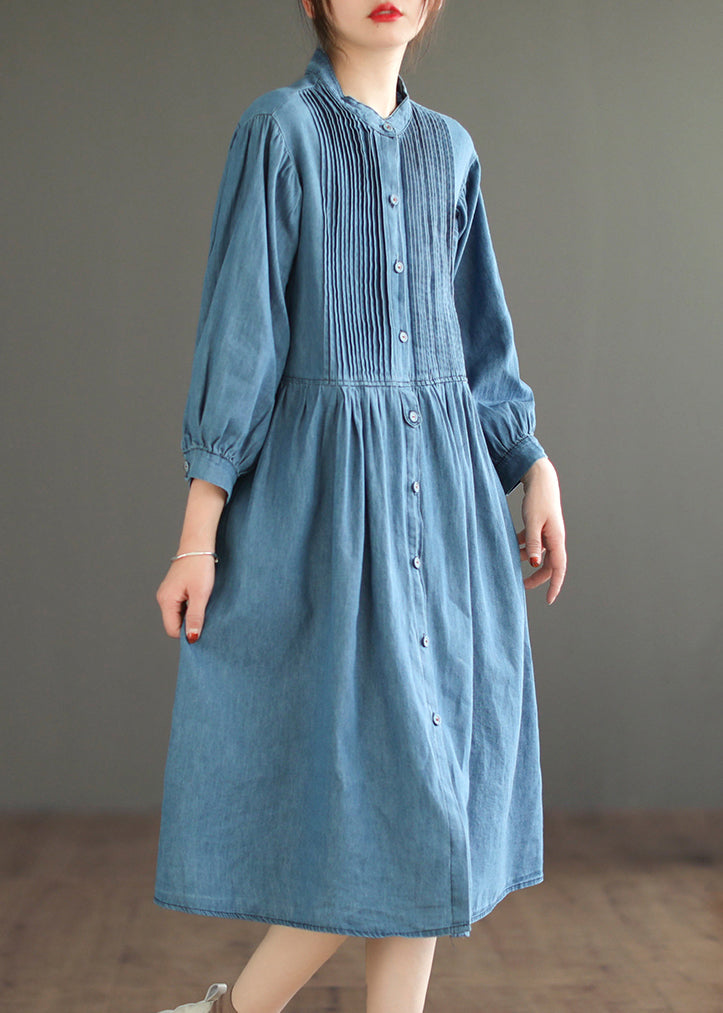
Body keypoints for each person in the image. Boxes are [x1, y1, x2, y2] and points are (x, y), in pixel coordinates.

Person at [153, 1, 567, 1011]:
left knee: (437, 799)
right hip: (329, 517)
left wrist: (531, 464)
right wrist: (198, 534)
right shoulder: (280, 131)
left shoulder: (451, 150)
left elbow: (481, 339)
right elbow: (242, 334)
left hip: (451, 514)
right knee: (384, 806)